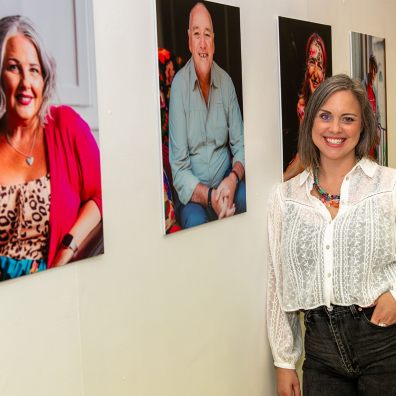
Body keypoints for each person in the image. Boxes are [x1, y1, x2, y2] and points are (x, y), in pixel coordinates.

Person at [267, 74, 396, 395]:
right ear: (310, 122)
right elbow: (276, 279)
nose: (335, 129)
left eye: (347, 119)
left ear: (362, 127)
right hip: (320, 348)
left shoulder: (388, 186)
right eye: (325, 116)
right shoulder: (286, 197)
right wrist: (284, 361)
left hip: (383, 340)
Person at [0, 15, 102, 280]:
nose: (26, 83)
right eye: (13, 67)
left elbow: (102, 195)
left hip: (55, 284)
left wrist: (66, 250)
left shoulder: (65, 126)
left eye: (34, 70)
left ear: (45, 77)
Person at [169, 2, 246, 229]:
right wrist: (211, 196)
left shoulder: (227, 83)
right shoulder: (179, 87)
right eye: (196, 34)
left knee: (247, 199)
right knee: (196, 224)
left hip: (226, 180)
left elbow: (241, 145)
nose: (202, 44)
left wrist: (232, 180)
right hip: (195, 192)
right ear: (189, 42)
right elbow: (179, 168)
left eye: (207, 35)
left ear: (214, 41)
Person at [283, 33, 327, 181]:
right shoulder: (302, 105)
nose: (315, 72)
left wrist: (284, 177)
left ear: (325, 73)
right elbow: (304, 154)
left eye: (320, 65)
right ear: (306, 65)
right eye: (312, 62)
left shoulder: (332, 106)